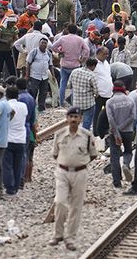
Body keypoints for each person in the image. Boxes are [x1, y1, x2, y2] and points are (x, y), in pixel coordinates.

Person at [50, 106, 98, 251]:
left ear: (80, 119)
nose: (73, 120)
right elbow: (55, 154)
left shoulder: (87, 135)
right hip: (62, 172)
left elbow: (93, 154)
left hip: (80, 173)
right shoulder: (59, 135)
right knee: (60, 202)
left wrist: (80, 162)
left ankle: (69, 237)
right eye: (70, 117)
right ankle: (57, 234)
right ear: (67, 118)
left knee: (76, 206)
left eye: (76, 117)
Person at [52, 24, 91, 108]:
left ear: (68, 30)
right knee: (74, 85)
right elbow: (87, 50)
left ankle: (61, 102)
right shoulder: (80, 39)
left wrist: (60, 52)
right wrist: (83, 58)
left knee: (63, 84)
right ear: (76, 31)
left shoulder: (63, 38)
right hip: (75, 65)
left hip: (64, 64)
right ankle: (74, 103)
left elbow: (53, 46)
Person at [106, 83, 136, 188]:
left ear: (113, 90)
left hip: (114, 132)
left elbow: (110, 119)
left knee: (114, 156)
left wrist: (117, 132)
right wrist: (122, 127)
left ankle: (117, 181)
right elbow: (133, 116)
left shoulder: (109, 102)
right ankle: (126, 164)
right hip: (128, 131)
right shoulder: (130, 100)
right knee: (128, 151)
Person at [2, 85, 28, 195]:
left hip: (8, 138)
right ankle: (16, 186)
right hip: (21, 138)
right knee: (18, 164)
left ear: (6, 95)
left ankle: (10, 187)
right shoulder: (23, 106)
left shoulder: (6, 105)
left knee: (7, 165)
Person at [68, 58, 99, 129]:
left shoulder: (74, 71)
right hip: (88, 104)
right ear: (93, 66)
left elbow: (69, 85)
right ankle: (84, 137)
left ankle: (75, 133)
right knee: (87, 121)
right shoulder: (92, 75)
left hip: (76, 102)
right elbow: (96, 92)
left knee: (76, 120)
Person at [25, 36, 54, 110]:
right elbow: (28, 63)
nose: (43, 44)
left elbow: (50, 65)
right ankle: (31, 106)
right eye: (42, 43)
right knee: (33, 91)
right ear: (39, 44)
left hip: (44, 76)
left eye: (45, 43)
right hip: (34, 75)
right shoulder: (34, 51)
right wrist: (27, 75)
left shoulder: (48, 53)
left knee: (43, 92)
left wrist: (53, 76)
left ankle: (41, 107)